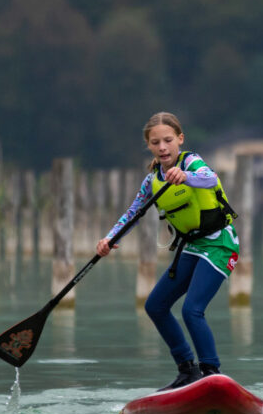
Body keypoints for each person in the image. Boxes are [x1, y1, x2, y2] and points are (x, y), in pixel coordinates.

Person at [97, 112, 239, 391]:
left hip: (220, 244)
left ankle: (212, 373)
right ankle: (187, 370)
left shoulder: (192, 162)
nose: (162, 147)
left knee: (191, 310)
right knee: (155, 306)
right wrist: (109, 238)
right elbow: (134, 212)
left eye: (168, 140)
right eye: (155, 142)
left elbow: (210, 178)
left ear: (180, 140)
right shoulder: (152, 180)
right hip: (193, 248)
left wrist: (186, 176)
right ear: (149, 146)